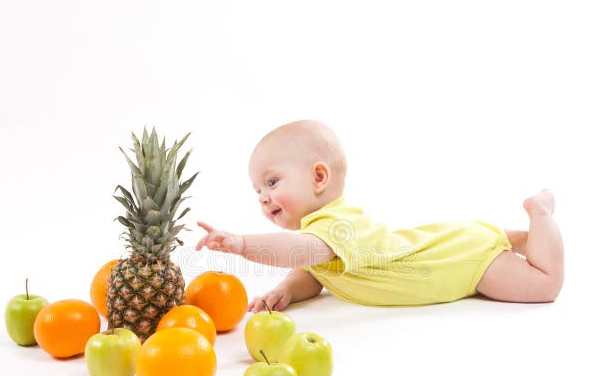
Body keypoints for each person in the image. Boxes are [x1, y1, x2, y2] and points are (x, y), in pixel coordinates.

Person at [195, 120, 564, 312]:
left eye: (272, 181)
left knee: (544, 284)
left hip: (464, 263)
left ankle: (540, 214)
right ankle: (518, 237)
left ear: (319, 177)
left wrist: (243, 245)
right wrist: (285, 291)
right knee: (507, 247)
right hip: (451, 243)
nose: (263, 197)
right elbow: (311, 273)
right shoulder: (324, 234)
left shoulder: (335, 227)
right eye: (257, 190)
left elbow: (297, 252)